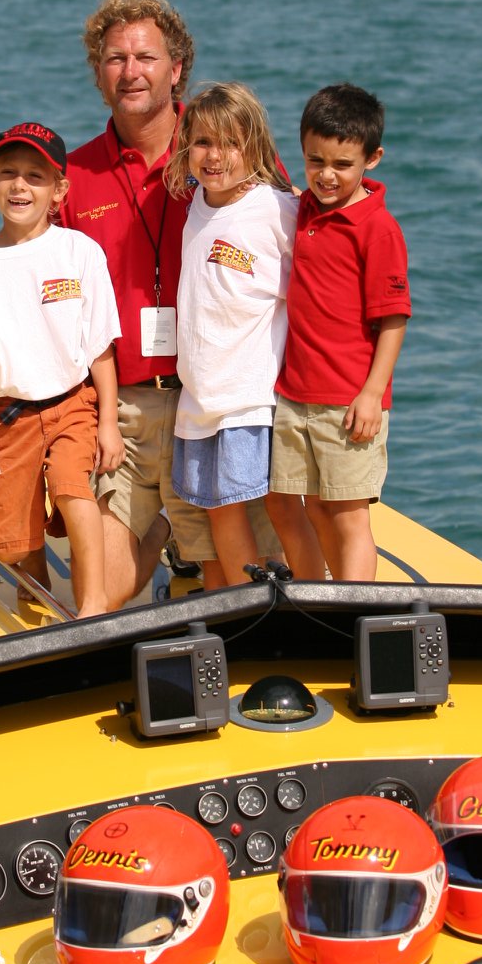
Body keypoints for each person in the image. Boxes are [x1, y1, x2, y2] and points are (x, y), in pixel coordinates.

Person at [62, 0, 282, 608]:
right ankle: (163, 525)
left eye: (146, 57)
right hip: (122, 410)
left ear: (177, 68)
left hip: (213, 403)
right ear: (99, 75)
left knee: (248, 581)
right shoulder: (74, 176)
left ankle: (182, 531)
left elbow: (299, 241)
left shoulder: (224, 152)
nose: (131, 71)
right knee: (100, 594)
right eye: (114, 59)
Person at [0, 121, 124, 618]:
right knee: (11, 541)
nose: (21, 186)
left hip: (74, 404)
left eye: (36, 176)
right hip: (7, 416)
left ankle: (94, 606)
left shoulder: (79, 252)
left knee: (73, 491)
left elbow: (101, 348)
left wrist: (107, 423)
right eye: (9, 173)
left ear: (59, 189)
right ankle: (35, 591)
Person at [266, 83, 411, 583]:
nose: (326, 176)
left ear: (372, 159)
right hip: (293, 394)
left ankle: (355, 613)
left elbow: (393, 319)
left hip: (349, 402)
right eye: (315, 160)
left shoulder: (379, 229)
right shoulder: (304, 207)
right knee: (292, 505)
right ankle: (316, 597)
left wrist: (372, 395)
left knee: (347, 515)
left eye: (342, 165)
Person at [166, 84, 298, 588]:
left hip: (248, 397)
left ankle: (297, 597)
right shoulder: (195, 203)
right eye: (202, 142)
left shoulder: (277, 210)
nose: (215, 156)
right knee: (219, 510)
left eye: (230, 143)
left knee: (269, 511)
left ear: (256, 146)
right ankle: (236, 607)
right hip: (200, 397)